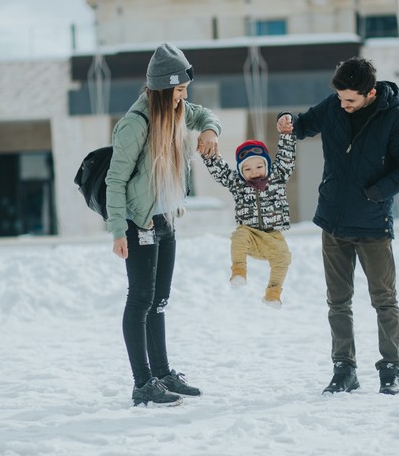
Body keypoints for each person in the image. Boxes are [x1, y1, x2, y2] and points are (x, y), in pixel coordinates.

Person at [277, 57, 399, 396]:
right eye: (340, 99)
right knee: (338, 301)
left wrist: (377, 193)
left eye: (350, 101)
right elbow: (304, 125)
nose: (343, 105)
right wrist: (288, 121)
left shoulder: (396, 118)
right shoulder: (334, 105)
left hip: (373, 224)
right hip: (333, 221)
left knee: (384, 300)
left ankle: (391, 370)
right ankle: (344, 369)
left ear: (370, 93)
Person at [105, 42, 222, 407]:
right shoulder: (135, 124)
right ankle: (143, 383)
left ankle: (163, 373)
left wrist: (209, 133)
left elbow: (206, 116)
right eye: (179, 90)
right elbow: (115, 180)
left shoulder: (177, 110)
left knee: (159, 300)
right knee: (140, 299)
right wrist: (117, 230)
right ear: (162, 89)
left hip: (166, 218)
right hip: (139, 221)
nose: (184, 97)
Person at [202, 134, 296, 308]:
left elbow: (286, 157)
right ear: (240, 171)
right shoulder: (238, 184)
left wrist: (286, 135)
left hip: (273, 236)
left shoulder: (278, 177)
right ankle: (238, 271)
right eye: (247, 169)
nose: (254, 172)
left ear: (267, 165)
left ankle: (273, 293)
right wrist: (208, 154)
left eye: (259, 166)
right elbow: (221, 171)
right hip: (250, 235)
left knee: (283, 257)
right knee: (239, 235)